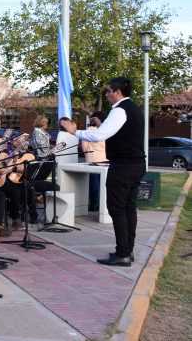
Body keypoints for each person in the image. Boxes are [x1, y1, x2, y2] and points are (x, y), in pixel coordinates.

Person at [60, 77, 145, 267]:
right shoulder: (135, 109)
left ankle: (123, 254)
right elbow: (116, 133)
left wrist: (75, 131)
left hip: (123, 166)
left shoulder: (119, 110)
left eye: (108, 91)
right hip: (136, 164)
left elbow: (99, 136)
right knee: (129, 208)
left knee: (117, 208)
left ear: (117, 91)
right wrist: (102, 126)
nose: (106, 95)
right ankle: (127, 251)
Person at [83, 111, 107, 211]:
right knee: (104, 184)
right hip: (106, 158)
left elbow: (84, 147)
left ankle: (93, 205)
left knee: (94, 184)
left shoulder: (88, 130)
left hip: (92, 159)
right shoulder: (106, 130)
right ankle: (103, 205)